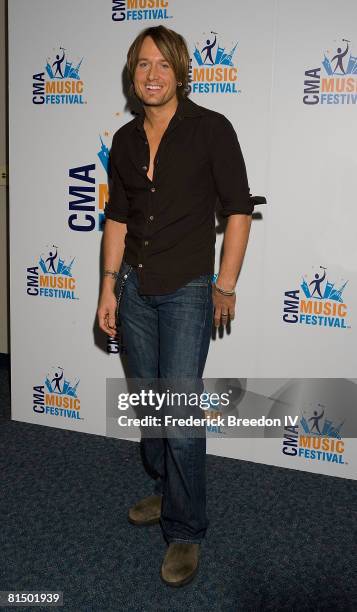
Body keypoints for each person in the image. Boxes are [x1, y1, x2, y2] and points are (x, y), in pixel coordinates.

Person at [97, 25, 253, 587]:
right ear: (131, 74)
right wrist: (107, 287)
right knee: (150, 404)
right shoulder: (124, 141)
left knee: (180, 412)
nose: (152, 75)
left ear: (181, 70)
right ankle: (167, 491)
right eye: (142, 65)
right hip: (134, 286)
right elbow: (116, 219)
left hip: (189, 287)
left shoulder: (212, 129)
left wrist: (226, 285)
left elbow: (238, 209)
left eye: (162, 64)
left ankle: (186, 530)